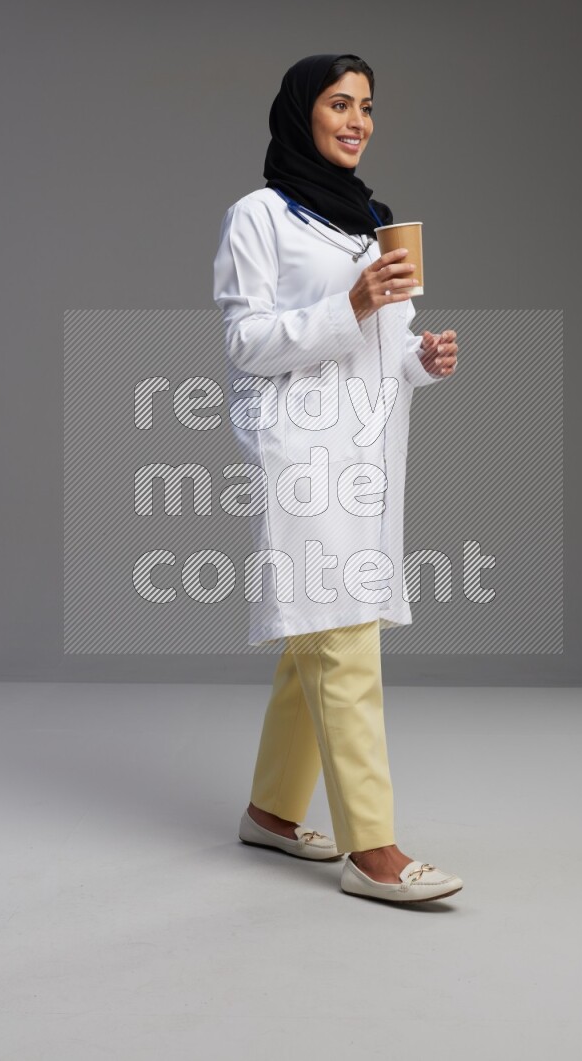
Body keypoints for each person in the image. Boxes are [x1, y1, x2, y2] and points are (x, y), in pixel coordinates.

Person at [212, 53, 462, 904]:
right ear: (300, 114)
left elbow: (389, 342)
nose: (357, 120)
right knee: (344, 635)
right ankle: (374, 848)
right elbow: (245, 343)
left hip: (367, 449)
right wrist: (349, 306)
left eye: (366, 107)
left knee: (312, 641)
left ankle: (272, 813)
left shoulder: (373, 222)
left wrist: (424, 357)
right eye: (338, 103)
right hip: (299, 451)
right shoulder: (259, 216)